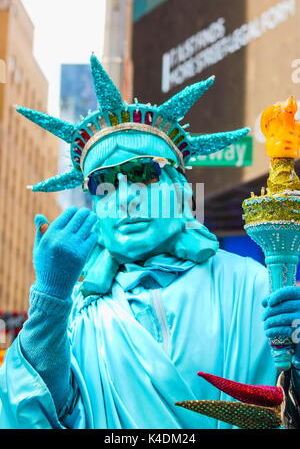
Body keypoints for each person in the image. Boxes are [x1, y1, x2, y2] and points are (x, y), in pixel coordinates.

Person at [0, 56, 300, 429]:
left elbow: (289, 406)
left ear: (179, 188)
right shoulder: (75, 315)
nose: (125, 196)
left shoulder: (251, 284)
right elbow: (31, 413)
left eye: (143, 172)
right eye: (102, 183)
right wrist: (49, 299)